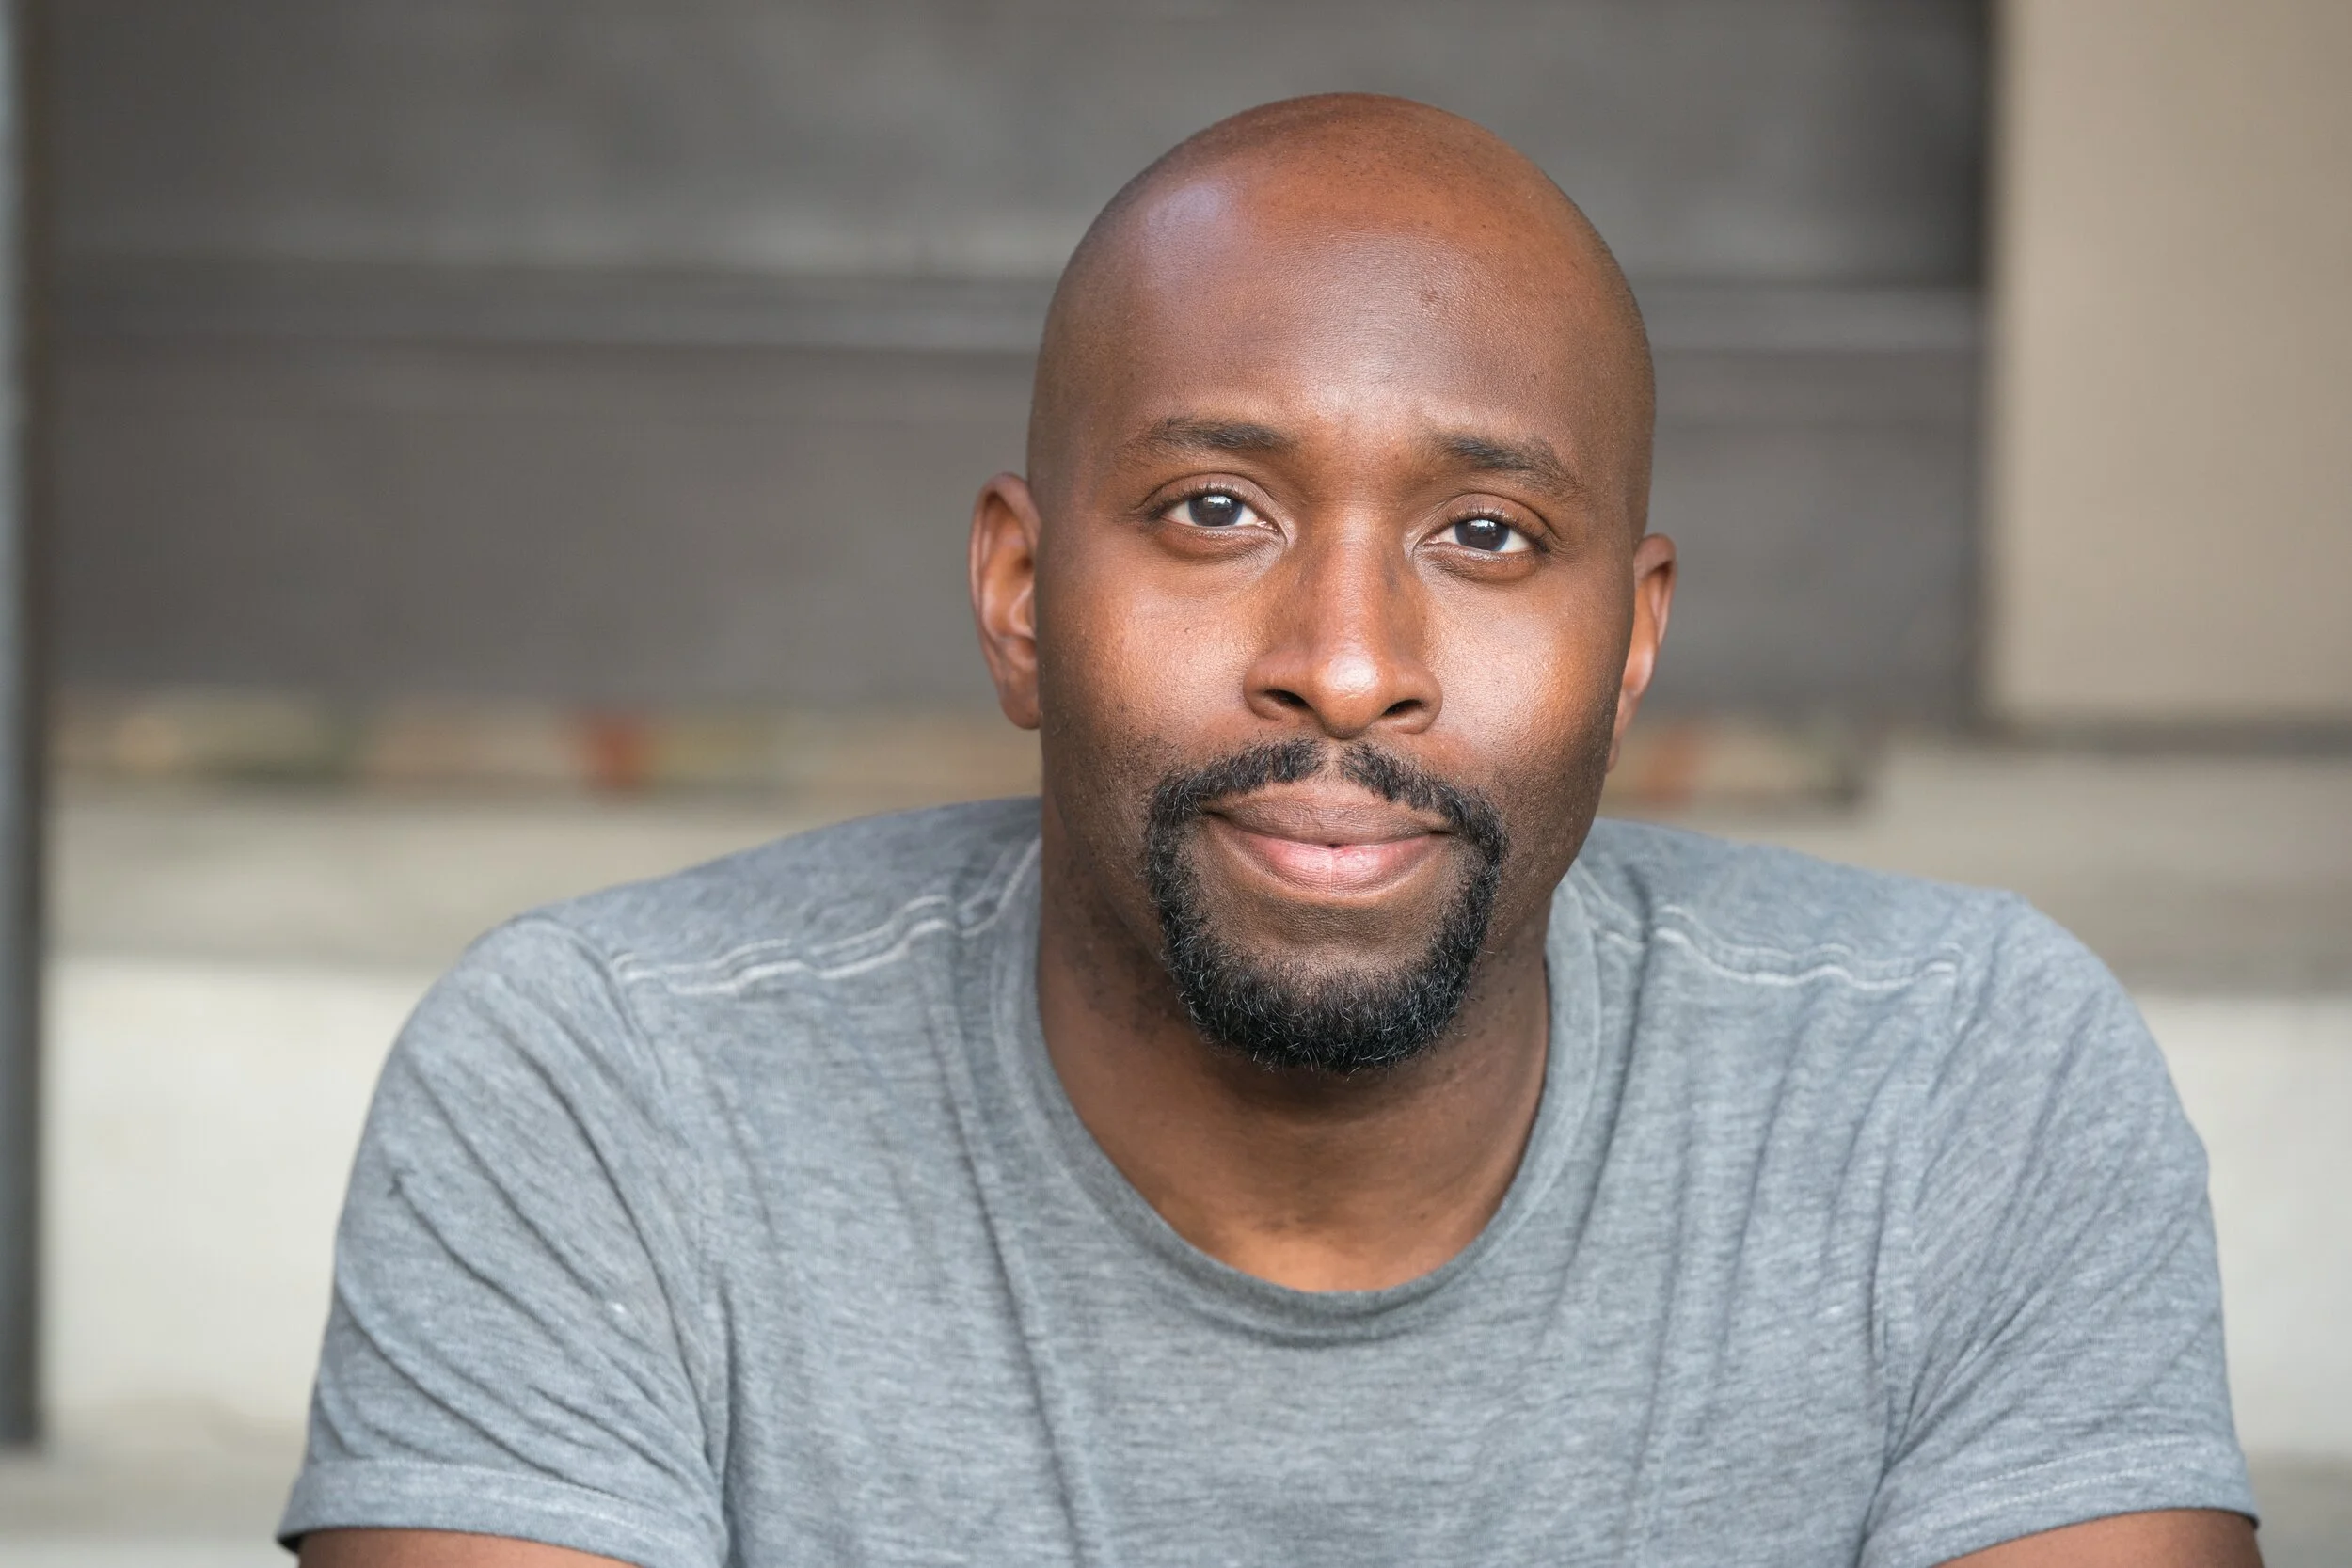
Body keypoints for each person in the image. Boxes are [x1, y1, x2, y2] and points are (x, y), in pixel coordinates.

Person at [284, 97, 2259, 1567]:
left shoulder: (1958, 1085)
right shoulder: (609, 1094)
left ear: (1633, 642)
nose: (1344, 664)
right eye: (1214, 510)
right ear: (1019, 596)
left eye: (1485, 534)